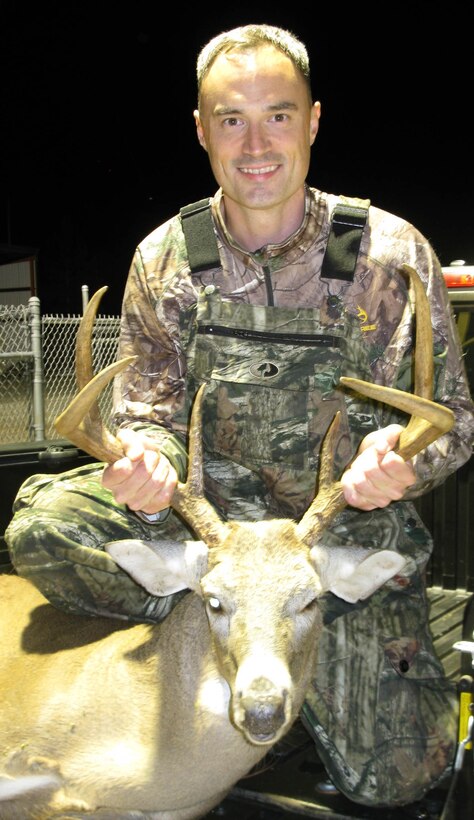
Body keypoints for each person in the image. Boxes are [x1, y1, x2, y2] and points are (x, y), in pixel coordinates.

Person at [5, 23, 474, 808]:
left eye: (278, 115)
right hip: (208, 531)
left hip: (336, 533)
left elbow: (452, 420)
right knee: (42, 529)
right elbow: (146, 411)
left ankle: (272, 642)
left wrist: (402, 456)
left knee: (399, 777)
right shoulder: (165, 258)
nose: (256, 142)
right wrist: (147, 459)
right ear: (202, 130)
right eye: (232, 119)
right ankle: (219, 619)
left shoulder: (388, 256)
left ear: (314, 121)